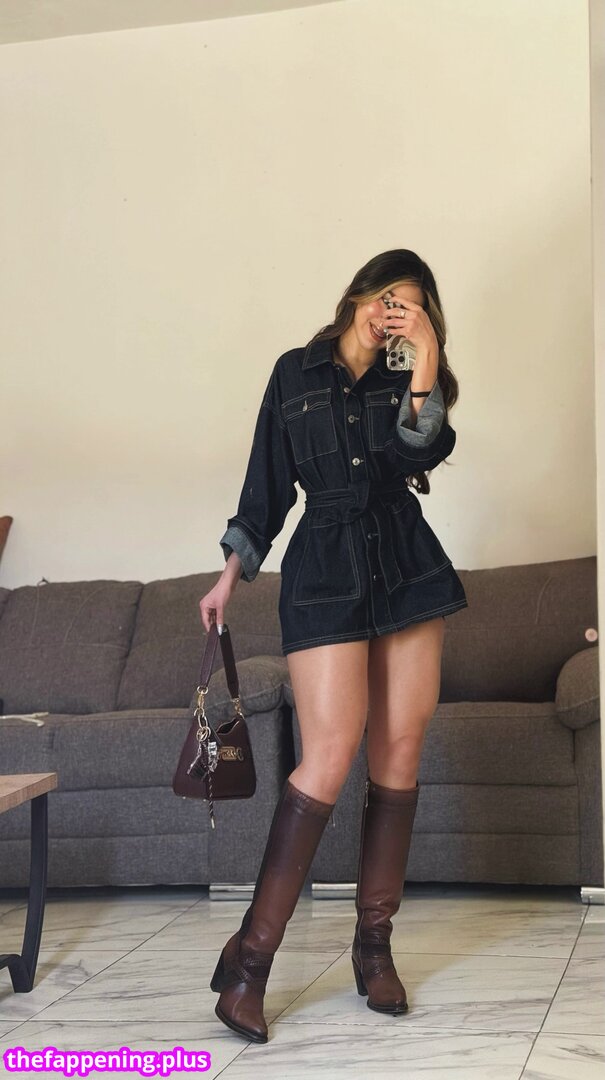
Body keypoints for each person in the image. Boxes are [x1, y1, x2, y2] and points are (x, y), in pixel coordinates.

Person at [199, 249, 468, 1043]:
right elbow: (265, 485)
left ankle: (373, 948)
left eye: (410, 307)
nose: (393, 314)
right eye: (387, 298)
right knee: (325, 758)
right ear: (357, 294)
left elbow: (419, 453)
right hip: (322, 570)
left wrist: (425, 357)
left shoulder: (410, 376)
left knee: (399, 754)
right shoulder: (295, 372)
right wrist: (229, 575)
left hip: (406, 567)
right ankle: (249, 963)